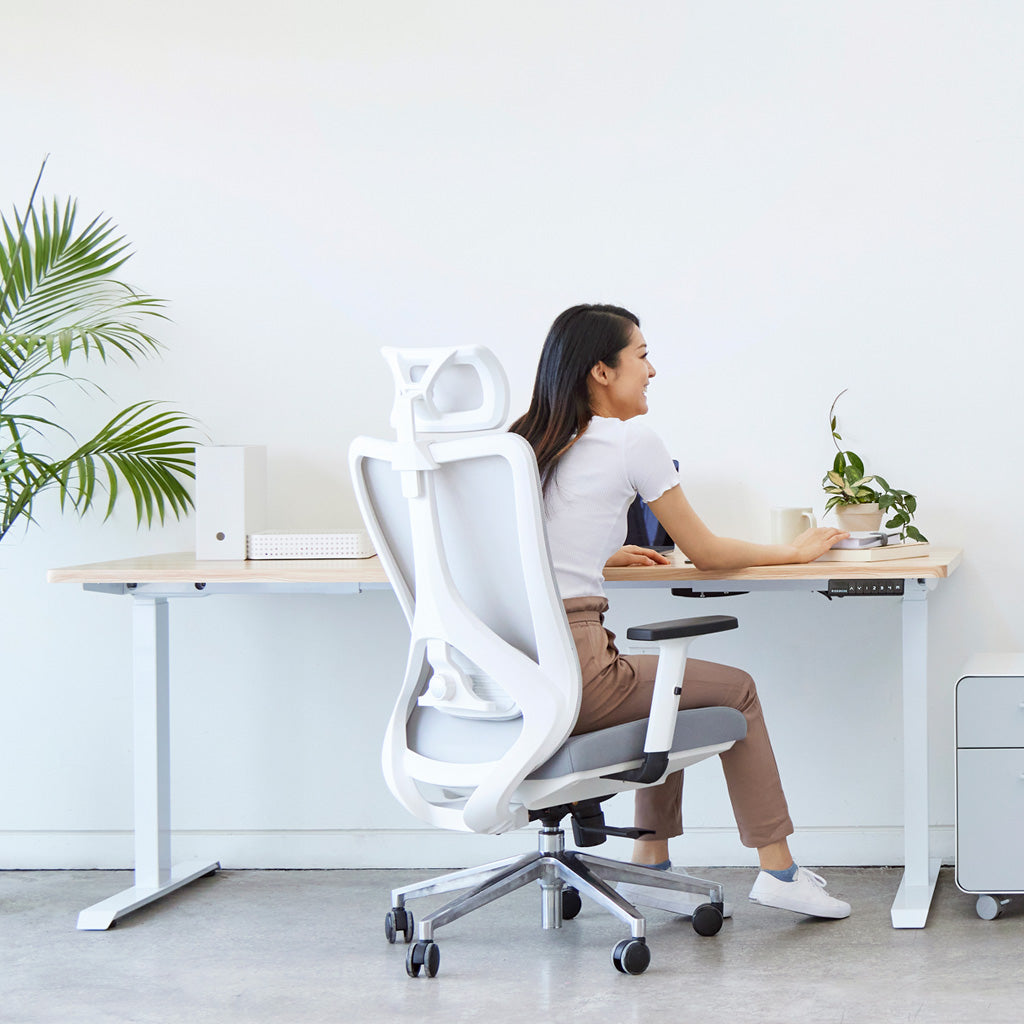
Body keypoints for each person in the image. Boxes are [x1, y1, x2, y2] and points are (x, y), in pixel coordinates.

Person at [510, 303, 852, 920]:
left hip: (510, 674)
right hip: (578, 669)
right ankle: (779, 870)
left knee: (668, 685)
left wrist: (601, 551)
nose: (652, 370)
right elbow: (706, 551)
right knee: (734, 692)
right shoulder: (630, 440)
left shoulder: (522, 444)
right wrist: (791, 551)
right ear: (602, 372)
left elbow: (515, 554)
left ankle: (652, 861)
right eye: (641, 356)